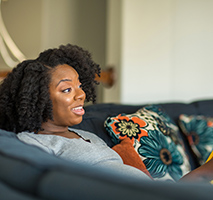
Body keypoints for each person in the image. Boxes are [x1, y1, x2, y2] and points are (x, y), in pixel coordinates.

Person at [0, 44, 150, 180]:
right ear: (38, 98)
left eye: (79, 86)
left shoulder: (88, 136)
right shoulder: (33, 142)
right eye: (67, 89)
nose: (81, 95)